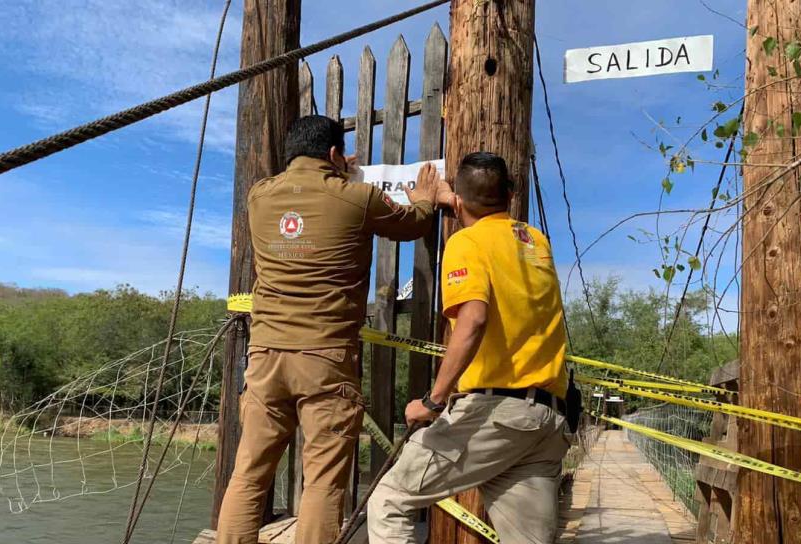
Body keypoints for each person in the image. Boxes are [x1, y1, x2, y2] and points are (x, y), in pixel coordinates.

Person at [216, 115, 452, 544]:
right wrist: (423, 198)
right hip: (325, 360)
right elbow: (414, 222)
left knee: (248, 475)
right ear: (333, 155)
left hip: (266, 357)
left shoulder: (259, 197)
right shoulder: (359, 197)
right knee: (323, 481)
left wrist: (330, 168)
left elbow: (302, 188)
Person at [367, 151, 573, 544]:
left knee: (391, 498)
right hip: (546, 420)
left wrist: (432, 400)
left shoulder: (466, 244)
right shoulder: (536, 241)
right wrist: (453, 199)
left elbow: (473, 321)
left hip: (495, 416)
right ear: (511, 195)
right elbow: (499, 233)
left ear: (459, 200)